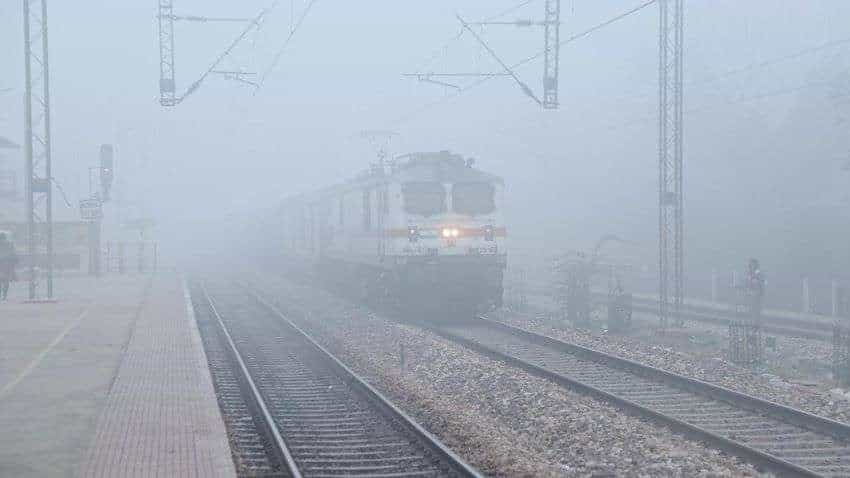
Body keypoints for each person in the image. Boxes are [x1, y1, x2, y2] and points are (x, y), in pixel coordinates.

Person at [0, 232, 18, 301]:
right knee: (6, 280)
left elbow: (13, 254)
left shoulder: (9, 245)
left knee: (3, 280)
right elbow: (13, 254)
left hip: (3, 264)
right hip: (7, 265)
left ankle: (3, 294)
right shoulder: (10, 244)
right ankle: (4, 294)